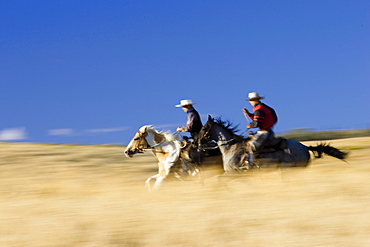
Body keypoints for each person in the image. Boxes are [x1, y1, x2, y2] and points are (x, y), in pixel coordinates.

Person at [242, 92, 278, 165]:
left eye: (251, 100)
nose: (250, 102)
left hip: (265, 132)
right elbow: (258, 118)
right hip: (265, 131)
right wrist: (249, 114)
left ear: (256, 100)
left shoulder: (259, 109)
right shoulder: (261, 108)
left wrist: (250, 125)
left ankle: (252, 163)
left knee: (252, 145)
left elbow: (257, 123)